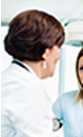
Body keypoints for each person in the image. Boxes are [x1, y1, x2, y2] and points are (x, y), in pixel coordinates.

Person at [1, 9, 65, 137]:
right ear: (45, 52)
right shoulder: (26, 87)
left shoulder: (12, 79)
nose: (59, 54)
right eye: (58, 46)